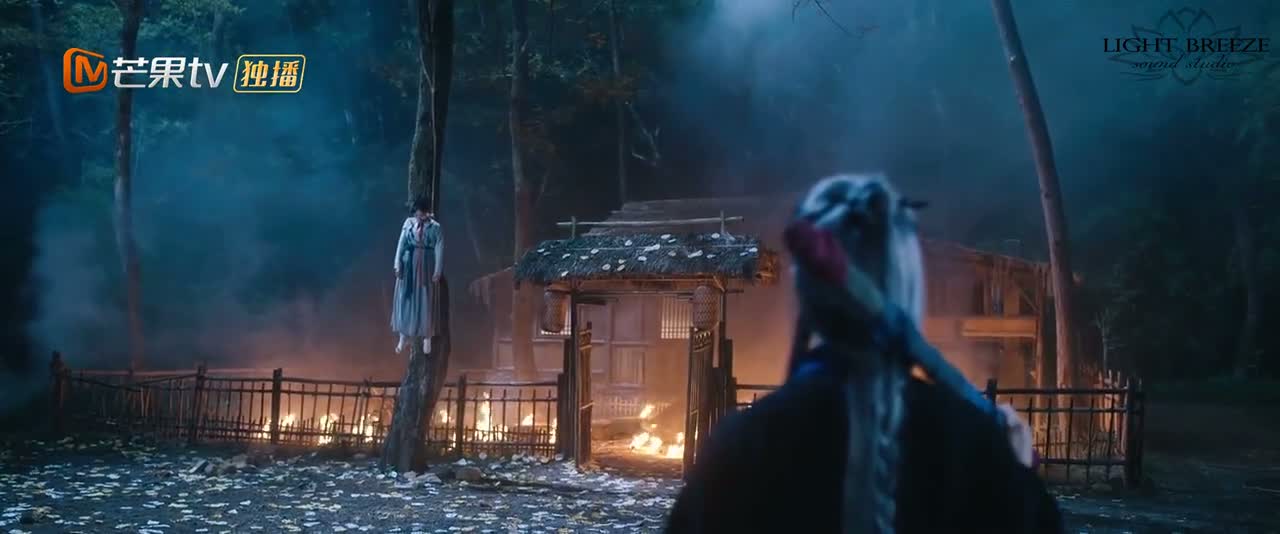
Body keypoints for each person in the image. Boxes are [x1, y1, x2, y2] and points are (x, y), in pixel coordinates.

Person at [665, 174, 1062, 534]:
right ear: (907, 286)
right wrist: (1019, 475)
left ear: (807, 295)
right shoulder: (977, 453)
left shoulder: (741, 451)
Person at [391, 197, 443, 354]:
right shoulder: (409, 223)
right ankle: (403, 336)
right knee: (405, 299)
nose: (418, 217)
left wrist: (437, 270)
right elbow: (401, 244)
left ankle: (427, 337)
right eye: (417, 214)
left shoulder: (435, 227)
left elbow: (439, 249)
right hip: (409, 265)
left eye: (421, 214)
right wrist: (397, 263)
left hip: (425, 265)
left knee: (425, 299)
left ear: (427, 213)